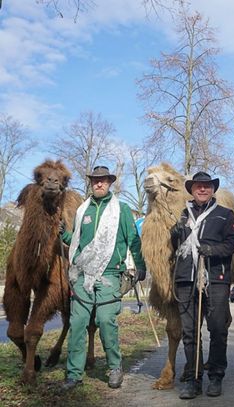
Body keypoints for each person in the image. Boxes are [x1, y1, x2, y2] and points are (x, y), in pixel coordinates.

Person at [61, 166, 146, 390]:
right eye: (95, 180)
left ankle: (115, 367)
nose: (99, 184)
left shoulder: (122, 209)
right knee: (77, 323)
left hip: (109, 275)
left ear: (110, 183)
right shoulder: (82, 211)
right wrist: (63, 233)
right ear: (91, 183)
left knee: (106, 321)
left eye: (103, 180)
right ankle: (74, 374)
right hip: (82, 275)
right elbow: (77, 241)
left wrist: (140, 265)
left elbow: (133, 239)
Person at [171, 171, 234, 399]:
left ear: (212, 190)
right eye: (198, 186)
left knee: (218, 329)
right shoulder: (183, 215)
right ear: (191, 189)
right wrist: (175, 234)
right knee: (190, 333)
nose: (202, 189)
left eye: (207, 186)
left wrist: (211, 250)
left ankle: (216, 375)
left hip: (215, 278)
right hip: (186, 279)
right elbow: (176, 247)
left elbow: (232, 243)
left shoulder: (224, 214)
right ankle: (193, 378)